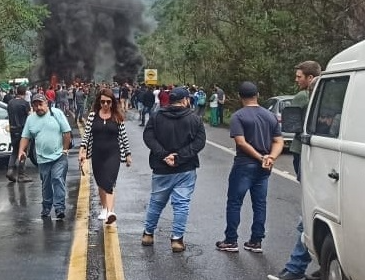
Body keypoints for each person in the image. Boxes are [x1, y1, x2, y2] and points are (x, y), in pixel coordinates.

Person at [268, 61, 322, 280]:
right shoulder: (323, 95)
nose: (297, 80)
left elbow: (293, 125)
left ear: (310, 78)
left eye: (300, 76)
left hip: (304, 152)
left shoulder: (302, 97)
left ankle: (296, 268)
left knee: (308, 209)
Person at [216, 82, 283, 253]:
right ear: (257, 95)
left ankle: (231, 240)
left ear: (240, 97)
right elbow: (278, 141)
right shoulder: (270, 116)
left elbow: (241, 142)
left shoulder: (238, 116)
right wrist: (270, 157)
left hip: (245, 164)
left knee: (234, 202)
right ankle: (256, 241)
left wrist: (260, 157)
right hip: (264, 168)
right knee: (260, 203)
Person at [141, 87, 206, 253]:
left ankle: (148, 234)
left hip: (161, 168)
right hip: (185, 168)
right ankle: (177, 239)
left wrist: (163, 155)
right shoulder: (194, 119)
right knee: (181, 204)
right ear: (185, 100)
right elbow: (199, 143)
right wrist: (179, 157)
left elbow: (148, 137)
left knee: (156, 202)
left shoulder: (156, 116)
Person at [78, 88, 132, 224]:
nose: (106, 105)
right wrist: (82, 150)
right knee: (101, 183)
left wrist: (128, 154)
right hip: (97, 153)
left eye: (108, 102)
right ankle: (104, 208)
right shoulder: (92, 116)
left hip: (113, 154)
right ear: (99, 102)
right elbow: (87, 135)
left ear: (113, 102)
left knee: (109, 182)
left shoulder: (117, 117)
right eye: (103, 102)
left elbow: (124, 137)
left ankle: (111, 211)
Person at [19, 94, 72, 219]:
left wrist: (65, 150)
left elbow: (67, 132)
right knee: (46, 183)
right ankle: (47, 207)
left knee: (57, 179)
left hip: (59, 156)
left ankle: (59, 208)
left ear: (46, 103)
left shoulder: (56, 113)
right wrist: (21, 150)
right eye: (35, 105)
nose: (38, 107)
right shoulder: (31, 119)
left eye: (40, 104)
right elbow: (25, 136)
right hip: (42, 159)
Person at [5, 86, 33, 183]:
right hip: (22, 131)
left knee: (14, 151)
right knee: (23, 151)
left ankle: (10, 170)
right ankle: (21, 174)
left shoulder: (10, 102)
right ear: (25, 93)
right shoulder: (25, 103)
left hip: (12, 130)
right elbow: (30, 115)